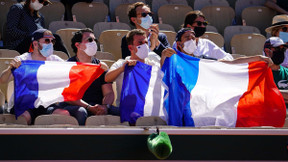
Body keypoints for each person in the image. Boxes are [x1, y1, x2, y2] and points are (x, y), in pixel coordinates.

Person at [0, 29, 68, 125]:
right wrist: (10, 69)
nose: (51, 44)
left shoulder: (55, 60)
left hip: (47, 104)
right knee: (24, 118)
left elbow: (72, 71)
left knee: (64, 115)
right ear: (35, 44)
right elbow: (2, 80)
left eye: (52, 41)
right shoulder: (23, 60)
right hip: (24, 103)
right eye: (47, 41)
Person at [56, 28, 114, 125]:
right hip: (74, 106)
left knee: (124, 112)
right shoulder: (68, 66)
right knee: (81, 112)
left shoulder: (101, 66)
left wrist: (105, 106)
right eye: (90, 40)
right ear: (78, 45)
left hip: (97, 105)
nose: (94, 43)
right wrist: (89, 107)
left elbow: (109, 92)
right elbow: (69, 97)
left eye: (95, 40)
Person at [162, 28, 273, 67]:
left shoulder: (202, 60)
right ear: (179, 44)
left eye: (193, 37)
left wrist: (258, 58)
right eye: (187, 38)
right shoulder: (174, 60)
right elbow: (162, 74)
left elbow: (233, 62)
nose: (191, 40)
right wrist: (163, 56)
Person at [106, 29, 160, 108]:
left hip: (148, 108)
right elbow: (107, 78)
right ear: (130, 48)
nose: (144, 45)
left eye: (145, 42)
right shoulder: (121, 63)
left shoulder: (153, 64)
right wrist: (122, 69)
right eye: (140, 43)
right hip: (126, 109)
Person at [263, 37, 288, 106]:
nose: (281, 51)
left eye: (283, 49)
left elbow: (268, 93)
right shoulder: (261, 73)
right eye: (277, 49)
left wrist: (273, 93)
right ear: (267, 51)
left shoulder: (287, 72)